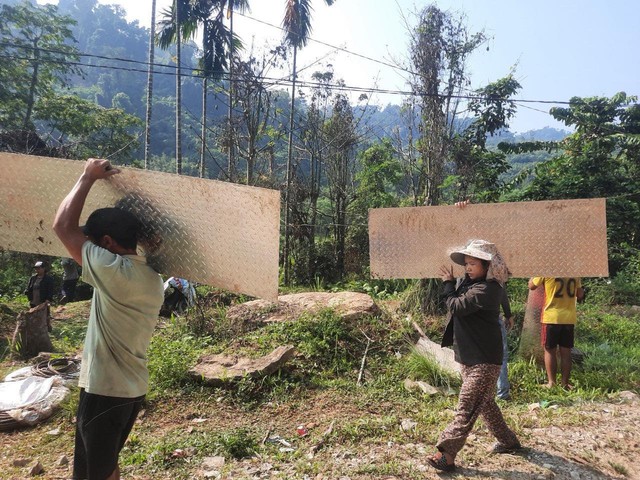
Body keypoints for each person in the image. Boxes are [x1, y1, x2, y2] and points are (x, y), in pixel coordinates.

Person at [53, 158, 164, 480]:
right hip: (127, 389)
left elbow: (62, 227)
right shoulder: (149, 277)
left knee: (95, 472)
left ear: (106, 244)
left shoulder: (114, 271)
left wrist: (87, 177)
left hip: (105, 389)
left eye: (93, 241)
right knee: (103, 464)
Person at [428, 239, 521, 472]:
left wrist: (448, 285)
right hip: (469, 356)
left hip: (484, 360)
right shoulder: (472, 284)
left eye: (473, 264)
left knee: (467, 407)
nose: (467, 268)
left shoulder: (488, 290)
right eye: (466, 263)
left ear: (487, 266)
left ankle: (445, 455)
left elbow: (456, 306)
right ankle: (509, 441)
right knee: (486, 403)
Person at [528, 277, 584, 389]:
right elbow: (580, 294)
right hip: (568, 318)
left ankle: (551, 383)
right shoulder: (574, 273)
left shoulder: (546, 270)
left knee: (549, 350)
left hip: (551, 317)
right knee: (566, 352)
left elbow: (531, 286)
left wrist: (532, 276)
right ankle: (565, 383)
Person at [497, 288, 515, 400]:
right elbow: (501, 290)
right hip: (492, 318)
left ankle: (477, 393)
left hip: (469, 320)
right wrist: (508, 314)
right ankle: (502, 394)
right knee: (501, 355)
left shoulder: (465, 273)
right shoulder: (495, 272)